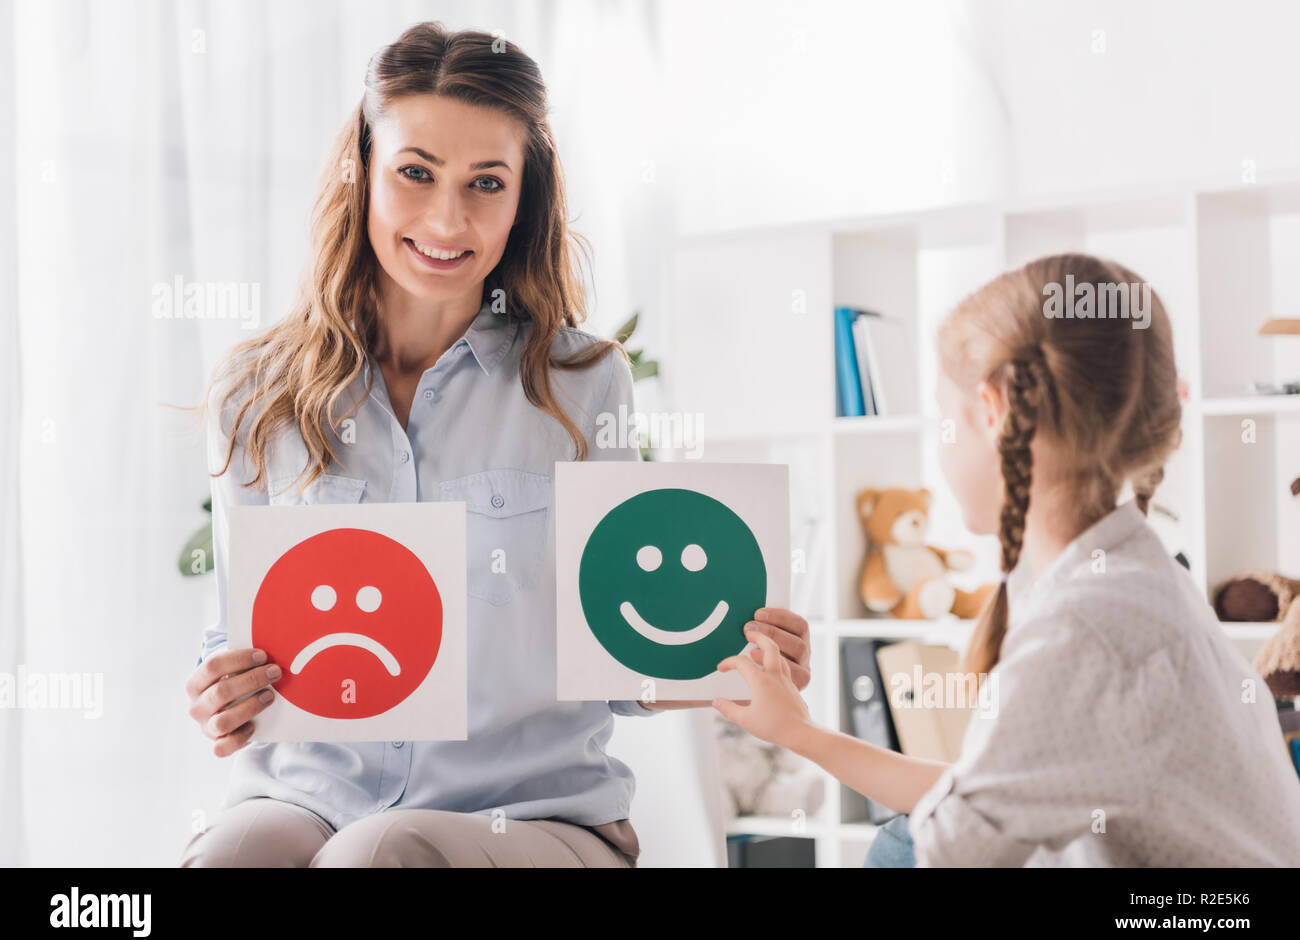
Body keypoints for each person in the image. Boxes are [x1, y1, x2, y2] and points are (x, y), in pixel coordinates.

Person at [181, 22, 811, 868]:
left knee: (378, 854)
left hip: (532, 812)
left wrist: (726, 656)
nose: (449, 218)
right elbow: (235, 637)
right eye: (415, 172)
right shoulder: (256, 391)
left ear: (525, 200)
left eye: (487, 182)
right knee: (236, 856)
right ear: (361, 170)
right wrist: (223, 691)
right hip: (309, 795)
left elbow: (615, 660)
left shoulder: (583, 383)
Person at [716, 253, 1300, 866]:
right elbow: (975, 801)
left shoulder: (1087, 623)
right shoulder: (1134, 575)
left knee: (900, 849)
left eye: (948, 420)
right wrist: (801, 735)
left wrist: (802, 737)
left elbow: (953, 850)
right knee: (902, 839)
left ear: (993, 411)